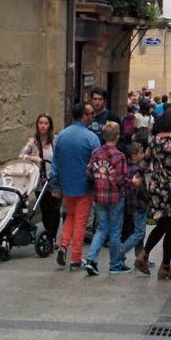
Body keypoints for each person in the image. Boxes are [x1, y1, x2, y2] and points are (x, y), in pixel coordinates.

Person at [134, 110, 171, 279]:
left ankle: (164, 266)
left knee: (168, 225)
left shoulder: (155, 139)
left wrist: (138, 175)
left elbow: (145, 161)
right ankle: (145, 255)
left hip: (157, 187)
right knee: (168, 226)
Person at [50, 103, 100, 270]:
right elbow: (98, 164)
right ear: (83, 116)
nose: (93, 116)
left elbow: (55, 164)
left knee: (70, 216)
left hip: (67, 185)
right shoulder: (91, 138)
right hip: (85, 186)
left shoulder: (61, 136)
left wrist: (55, 184)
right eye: (91, 113)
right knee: (80, 221)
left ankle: (64, 244)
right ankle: (76, 257)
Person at [84, 122, 129, 276]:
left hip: (99, 196)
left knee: (101, 229)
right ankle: (115, 265)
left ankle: (91, 259)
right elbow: (121, 179)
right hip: (116, 197)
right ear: (117, 137)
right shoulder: (120, 156)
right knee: (115, 231)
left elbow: (89, 173)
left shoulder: (96, 153)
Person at [19, 113, 60, 250]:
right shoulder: (33, 141)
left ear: (50, 125)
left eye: (46, 123)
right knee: (45, 210)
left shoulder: (56, 140)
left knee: (55, 210)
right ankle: (48, 237)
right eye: (40, 123)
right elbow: (21, 155)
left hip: (54, 180)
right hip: (40, 183)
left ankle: (53, 238)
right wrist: (33, 158)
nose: (43, 126)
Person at [121, 142, 150, 266]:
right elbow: (141, 190)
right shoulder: (137, 171)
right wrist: (149, 199)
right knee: (139, 233)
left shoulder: (127, 168)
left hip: (132, 205)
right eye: (141, 153)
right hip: (139, 205)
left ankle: (140, 257)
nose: (143, 155)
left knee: (139, 233)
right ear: (134, 156)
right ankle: (120, 252)